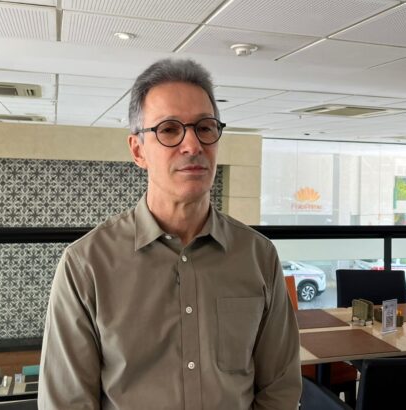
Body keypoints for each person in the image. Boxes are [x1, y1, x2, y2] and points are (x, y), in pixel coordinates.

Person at [38, 59, 301, 409]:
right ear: (138, 150)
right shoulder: (86, 264)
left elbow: (280, 388)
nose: (193, 145)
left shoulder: (258, 256)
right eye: (169, 129)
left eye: (205, 127)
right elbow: (65, 402)